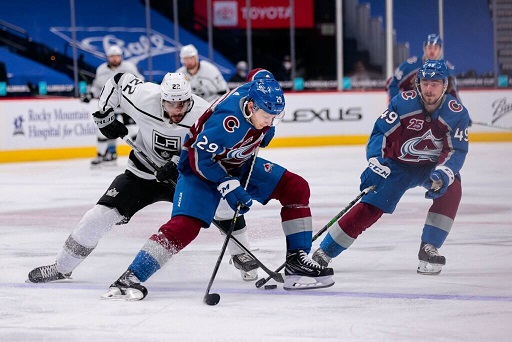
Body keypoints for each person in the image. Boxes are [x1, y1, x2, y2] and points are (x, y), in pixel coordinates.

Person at [101, 76, 334, 301]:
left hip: (237, 163)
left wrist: (265, 116)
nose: (270, 122)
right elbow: (199, 158)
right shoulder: (226, 123)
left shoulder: (257, 96)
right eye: (266, 116)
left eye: (275, 117)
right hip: (199, 171)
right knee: (186, 226)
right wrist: (228, 185)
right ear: (251, 107)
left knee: (295, 188)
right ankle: (129, 278)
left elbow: (259, 76)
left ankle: (297, 261)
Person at [27, 72, 257, 284]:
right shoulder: (145, 97)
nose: (177, 110)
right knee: (97, 217)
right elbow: (117, 81)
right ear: (161, 100)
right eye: (170, 104)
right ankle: (61, 267)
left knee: (225, 206)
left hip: (188, 177)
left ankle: (242, 254)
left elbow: (215, 150)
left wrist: (178, 163)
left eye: (183, 104)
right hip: (141, 173)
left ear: (190, 99)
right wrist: (104, 115)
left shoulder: (206, 113)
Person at [312, 60, 470, 276]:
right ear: (418, 84)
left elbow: (456, 150)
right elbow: (380, 133)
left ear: (445, 85)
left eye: (435, 83)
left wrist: (444, 173)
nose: (429, 89)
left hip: (431, 167)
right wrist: (375, 161)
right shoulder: (403, 103)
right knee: (371, 206)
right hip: (397, 166)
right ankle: (326, 250)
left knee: (452, 189)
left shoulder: (457, 112)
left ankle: (429, 248)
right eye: (425, 83)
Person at [82, 45, 144, 167]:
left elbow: (140, 82)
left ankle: (142, 156)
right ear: (108, 57)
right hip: (110, 106)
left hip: (127, 105)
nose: (115, 59)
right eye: (112, 56)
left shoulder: (129, 67)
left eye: (117, 56)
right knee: (105, 131)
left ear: (121, 56)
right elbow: (97, 86)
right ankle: (104, 155)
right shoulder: (101, 70)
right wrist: (89, 94)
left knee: (133, 131)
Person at [386, 34, 459, 101]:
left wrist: (459, 113)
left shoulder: (447, 69)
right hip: (411, 110)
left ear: (440, 50)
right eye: (429, 47)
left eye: (435, 48)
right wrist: (395, 105)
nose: (432, 51)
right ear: (424, 48)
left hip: (436, 111)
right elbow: (393, 84)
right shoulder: (410, 66)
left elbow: (454, 94)